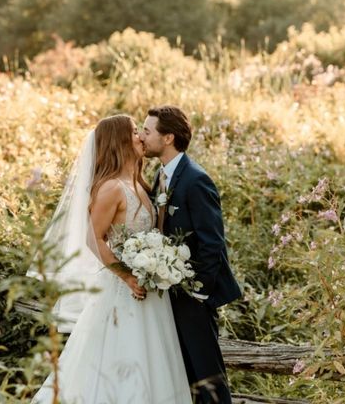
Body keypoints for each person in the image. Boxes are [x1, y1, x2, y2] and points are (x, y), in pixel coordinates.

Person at [30, 114, 192, 404]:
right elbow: (94, 238)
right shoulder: (110, 188)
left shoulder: (140, 185)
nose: (141, 137)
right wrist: (126, 275)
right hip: (121, 291)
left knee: (153, 362)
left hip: (151, 294)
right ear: (119, 141)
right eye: (133, 132)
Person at [140, 106, 242, 404]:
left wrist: (199, 292)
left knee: (208, 378)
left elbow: (213, 243)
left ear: (168, 137)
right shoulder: (159, 175)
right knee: (183, 376)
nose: (142, 136)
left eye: (147, 131)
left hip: (194, 297)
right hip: (170, 294)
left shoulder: (196, 179)